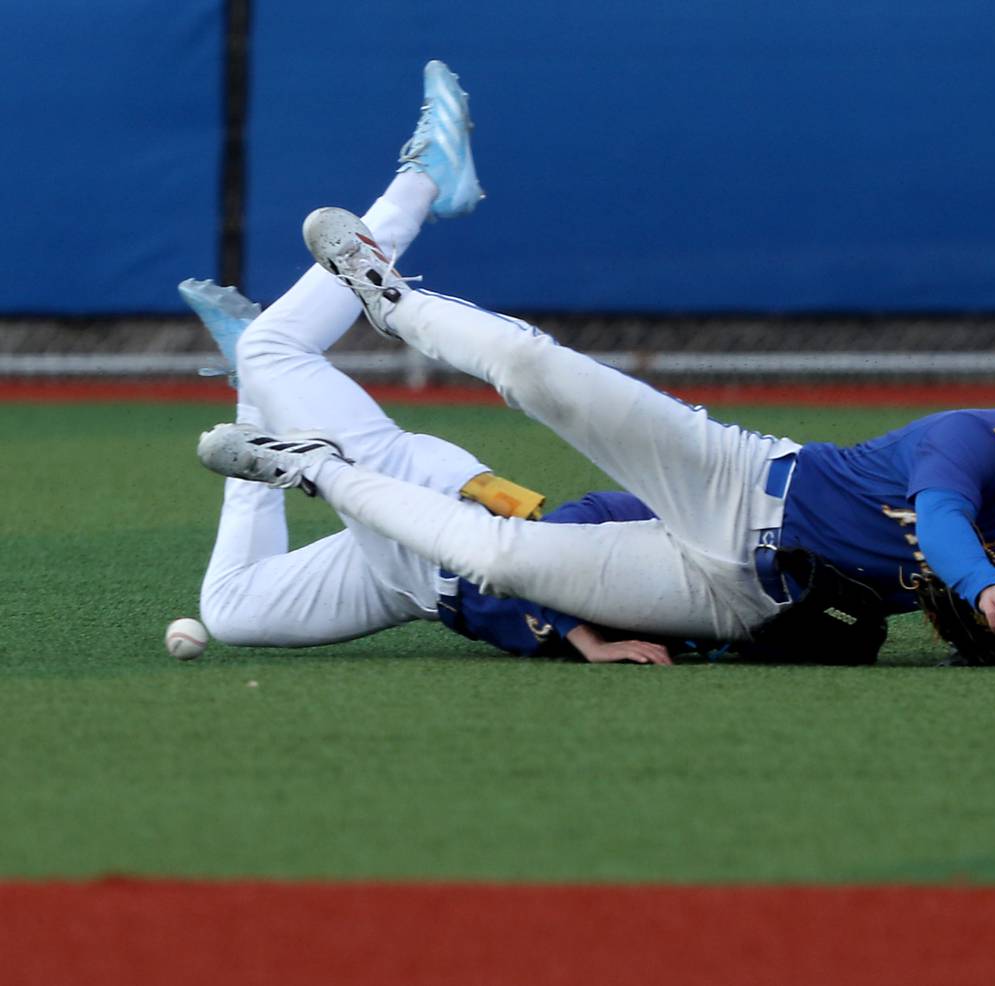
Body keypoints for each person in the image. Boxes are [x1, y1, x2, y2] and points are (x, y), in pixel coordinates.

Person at [198, 72, 995, 668]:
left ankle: (305, 463)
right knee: (540, 368)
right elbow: (946, 522)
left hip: (732, 597)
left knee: (500, 556)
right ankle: (386, 294)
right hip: (743, 479)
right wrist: (983, 584)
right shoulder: (977, 436)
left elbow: (990, 632)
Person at [189, 61, 684, 665]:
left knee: (232, 609)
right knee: (273, 349)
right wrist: (579, 638)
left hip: (422, 583)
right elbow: (589, 524)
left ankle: (258, 389)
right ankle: (423, 178)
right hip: (444, 518)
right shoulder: (723, 527)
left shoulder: (754, 574)